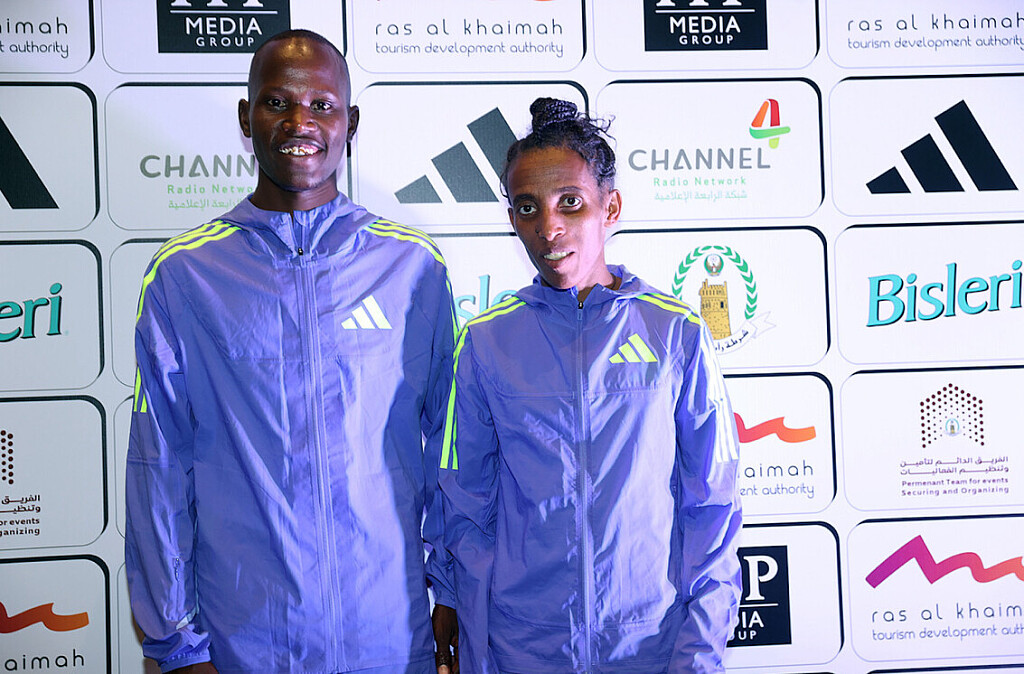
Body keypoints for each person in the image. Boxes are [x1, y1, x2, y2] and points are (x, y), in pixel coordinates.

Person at [125, 30, 458, 674]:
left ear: (350, 123)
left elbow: (451, 447)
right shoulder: (185, 275)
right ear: (246, 118)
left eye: (321, 105)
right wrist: (176, 642)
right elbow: (158, 465)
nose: (299, 122)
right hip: (244, 643)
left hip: (390, 639)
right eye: (277, 102)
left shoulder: (413, 267)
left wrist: (452, 592)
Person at [437, 98, 742, 673]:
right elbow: (466, 509)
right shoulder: (484, 341)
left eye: (569, 202)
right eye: (527, 207)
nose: (548, 228)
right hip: (524, 651)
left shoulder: (675, 332)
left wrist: (700, 653)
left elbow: (712, 508)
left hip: (649, 649)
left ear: (611, 207)